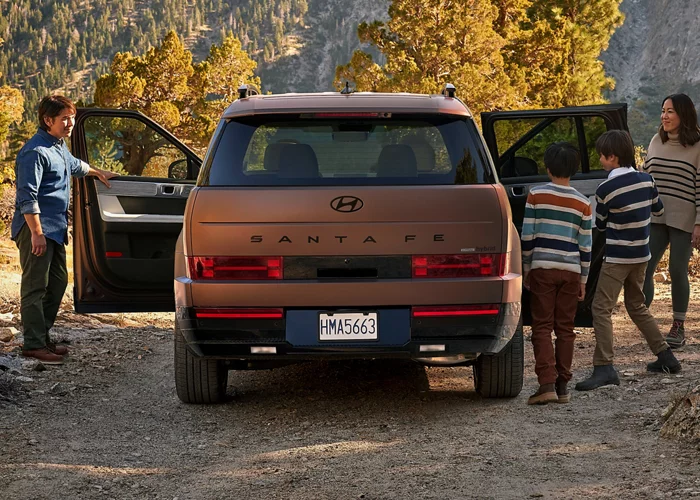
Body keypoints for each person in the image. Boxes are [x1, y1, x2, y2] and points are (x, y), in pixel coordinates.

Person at [12, 95, 117, 365]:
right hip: (36, 229)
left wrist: (97, 172)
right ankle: (33, 344)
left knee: (57, 282)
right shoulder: (35, 152)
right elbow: (27, 197)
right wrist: (36, 233)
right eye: (65, 119)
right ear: (48, 120)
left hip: (55, 229)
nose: (70, 123)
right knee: (35, 287)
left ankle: (41, 336)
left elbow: (74, 165)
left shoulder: (58, 146)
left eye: (72, 118)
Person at [576, 130, 681, 391]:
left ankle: (604, 367)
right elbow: (658, 209)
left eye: (602, 156)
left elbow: (600, 224)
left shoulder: (605, 189)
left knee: (601, 308)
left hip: (617, 258)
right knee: (636, 305)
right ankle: (666, 356)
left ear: (612, 157)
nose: (600, 160)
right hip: (641, 256)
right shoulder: (647, 180)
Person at [521, 142, 592, 405]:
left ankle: (546, 384)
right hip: (571, 272)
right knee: (565, 328)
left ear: (548, 168)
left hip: (543, 269)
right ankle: (562, 386)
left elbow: (527, 236)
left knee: (541, 326)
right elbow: (586, 246)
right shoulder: (583, 202)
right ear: (574, 169)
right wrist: (583, 279)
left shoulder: (536, 195)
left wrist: (527, 268)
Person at [641, 93, 700, 349]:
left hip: (684, 218)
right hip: (655, 216)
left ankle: (678, 325)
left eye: (670, 111)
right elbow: (646, 176)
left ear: (683, 115)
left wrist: (699, 223)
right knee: (644, 267)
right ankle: (644, 321)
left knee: (677, 269)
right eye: (663, 110)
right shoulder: (656, 141)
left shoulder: (698, 146)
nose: (664, 116)